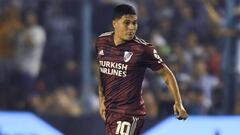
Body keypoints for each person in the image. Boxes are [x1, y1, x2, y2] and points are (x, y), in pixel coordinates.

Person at [95, 4, 188, 135]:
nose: (132, 27)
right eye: (126, 23)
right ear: (114, 24)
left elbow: (166, 74)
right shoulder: (102, 42)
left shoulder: (142, 49)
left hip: (130, 113)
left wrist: (178, 103)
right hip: (111, 112)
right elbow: (102, 71)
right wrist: (101, 100)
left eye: (134, 23)